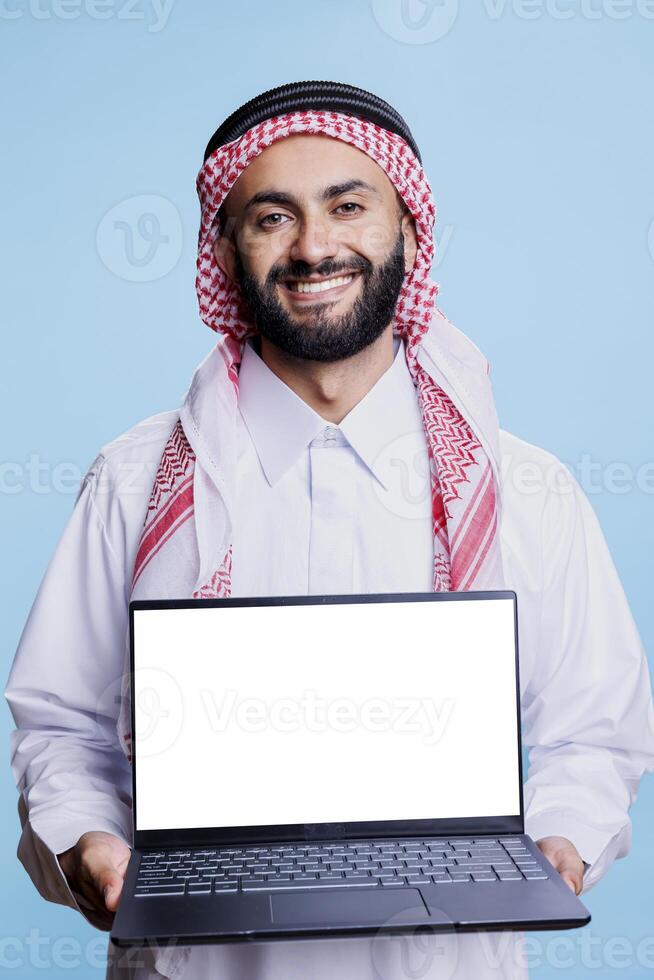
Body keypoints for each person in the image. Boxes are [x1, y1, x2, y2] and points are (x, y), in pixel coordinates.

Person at [6, 80, 654, 980]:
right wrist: (87, 844)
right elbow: (63, 726)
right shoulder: (133, 480)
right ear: (225, 252)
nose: (314, 247)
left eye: (349, 206)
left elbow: (593, 730)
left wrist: (562, 841)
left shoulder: (527, 490)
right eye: (272, 216)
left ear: (411, 232)